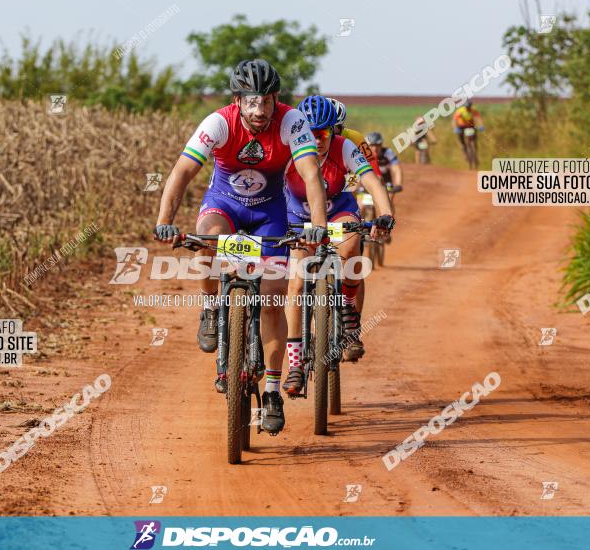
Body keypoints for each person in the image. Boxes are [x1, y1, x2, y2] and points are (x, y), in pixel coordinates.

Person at [153, 59, 329, 435]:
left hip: (270, 214)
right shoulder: (217, 122)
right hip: (225, 206)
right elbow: (182, 172)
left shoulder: (292, 122)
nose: (259, 110)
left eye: (266, 101)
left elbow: (312, 175)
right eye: (251, 102)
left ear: (275, 99)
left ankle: (272, 391)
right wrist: (164, 220)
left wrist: (317, 226)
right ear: (237, 101)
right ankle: (212, 307)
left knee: (271, 299)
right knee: (206, 239)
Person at [281, 95, 394, 394]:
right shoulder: (288, 148)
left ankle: (347, 310)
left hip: (338, 211)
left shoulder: (346, 147)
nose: (316, 140)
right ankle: (294, 364)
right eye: (310, 133)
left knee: (351, 246)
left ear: (334, 131)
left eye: (323, 134)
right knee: (295, 283)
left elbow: (371, 180)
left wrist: (385, 214)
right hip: (298, 214)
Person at [329, 98, 382, 181]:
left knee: (350, 188)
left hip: (345, 177)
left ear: (341, 126)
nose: (329, 134)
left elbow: (370, 161)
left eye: (333, 128)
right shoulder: (311, 139)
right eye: (325, 130)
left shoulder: (355, 137)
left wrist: (378, 177)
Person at [365, 131, 403, 209]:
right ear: (367, 146)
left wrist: (398, 184)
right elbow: (354, 171)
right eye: (372, 145)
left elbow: (396, 168)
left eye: (377, 145)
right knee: (360, 207)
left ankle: (390, 220)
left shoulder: (387, 152)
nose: (375, 148)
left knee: (388, 205)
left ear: (381, 145)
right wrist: (352, 187)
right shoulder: (362, 155)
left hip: (385, 182)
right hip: (368, 182)